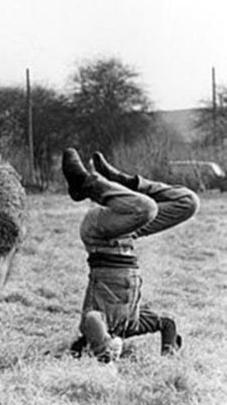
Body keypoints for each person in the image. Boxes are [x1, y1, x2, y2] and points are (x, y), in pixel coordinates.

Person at [62, 148, 199, 363]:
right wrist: (168, 356)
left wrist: (105, 348)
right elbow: (167, 323)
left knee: (146, 208)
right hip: (126, 235)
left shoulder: (95, 320)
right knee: (188, 203)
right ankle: (125, 182)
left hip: (98, 235)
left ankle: (85, 183)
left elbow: (91, 321)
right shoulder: (132, 326)